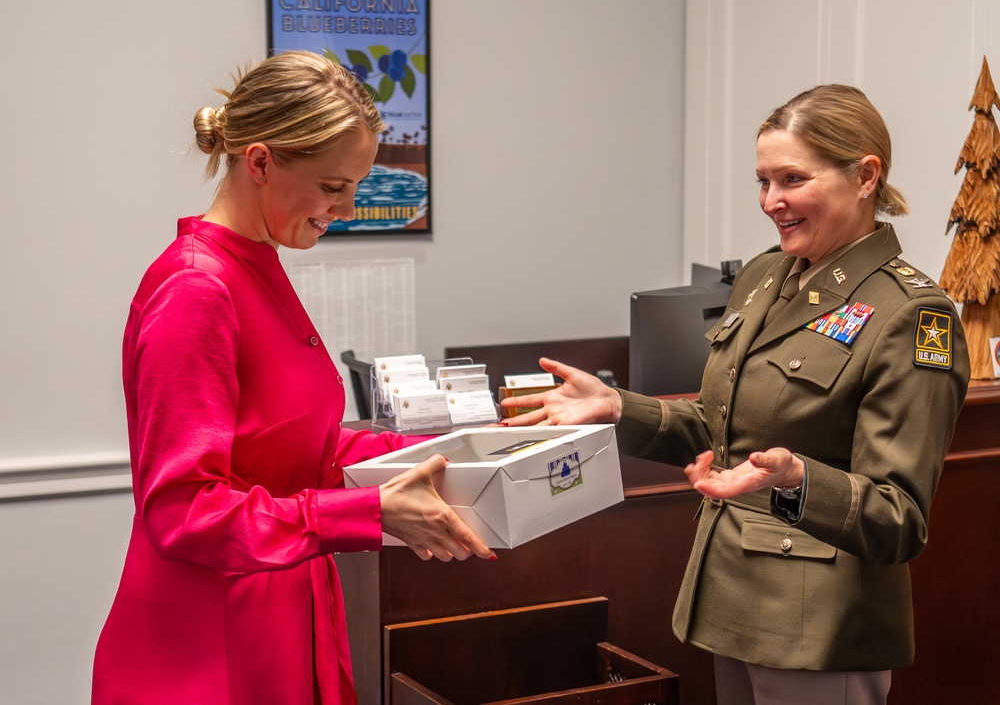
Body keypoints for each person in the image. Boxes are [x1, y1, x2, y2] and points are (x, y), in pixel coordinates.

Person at [501, 84, 970, 704]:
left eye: (792, 179)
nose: (771, 202)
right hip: (735, 600)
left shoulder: (912, 315)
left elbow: (897, 517)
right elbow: (721, 427)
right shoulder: (766, 274)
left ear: (865, 176)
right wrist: (618, 408)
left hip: (819, 627)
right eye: (762, 181)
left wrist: (797, 478)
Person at [92, 51, 495, 705]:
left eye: (357, 186)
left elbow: (299, 447)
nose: (348, 206)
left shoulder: (257, 266)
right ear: (258, 163)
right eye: (334, 187)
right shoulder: (197, 289)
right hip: (209, 639)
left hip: (280, 606)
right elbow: (182, 510)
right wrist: (365, 510)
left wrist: (463, 444)